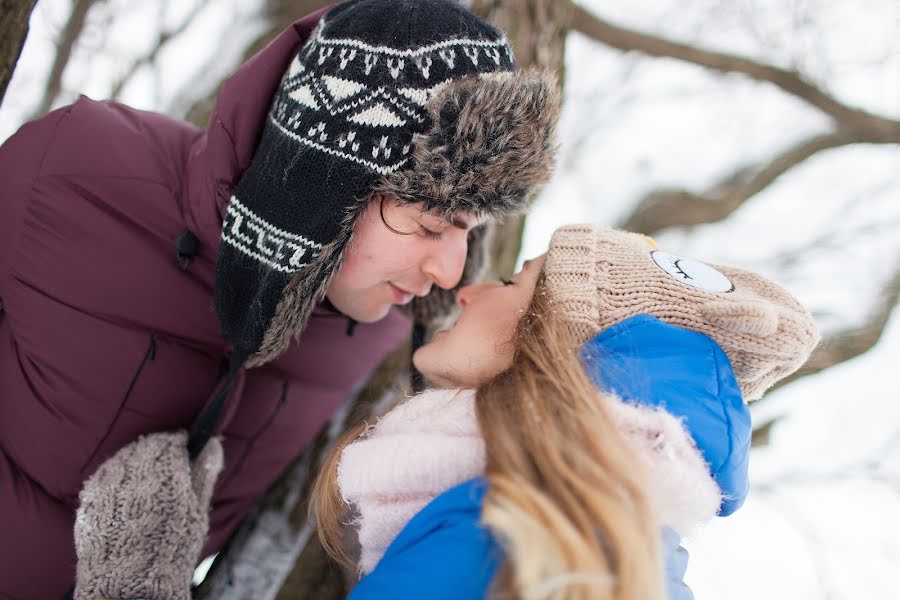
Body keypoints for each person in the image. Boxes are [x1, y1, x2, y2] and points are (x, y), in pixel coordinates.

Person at [0, 1, 561, 598]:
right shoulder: (74, 174)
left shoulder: (381, 328)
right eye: (427, 225)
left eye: (467, 231)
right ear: (323, 188)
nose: (449, 273)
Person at [313, 225, 821, 600]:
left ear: (549, 343)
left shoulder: (509, 533)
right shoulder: (616, 546)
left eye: (512, 283)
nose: (467, 292)